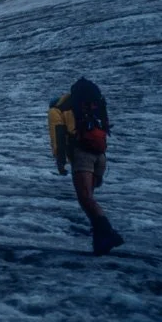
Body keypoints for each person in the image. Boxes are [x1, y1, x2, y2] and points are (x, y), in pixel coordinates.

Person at [48, 78, 125, 255]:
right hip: (100, 154)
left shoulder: (57, 110)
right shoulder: (92, 103)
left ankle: (107, 234)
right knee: (89, 197)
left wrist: (60, 161)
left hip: (82, 155)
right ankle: (100, 241)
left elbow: (57, 136)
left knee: (86, 199)